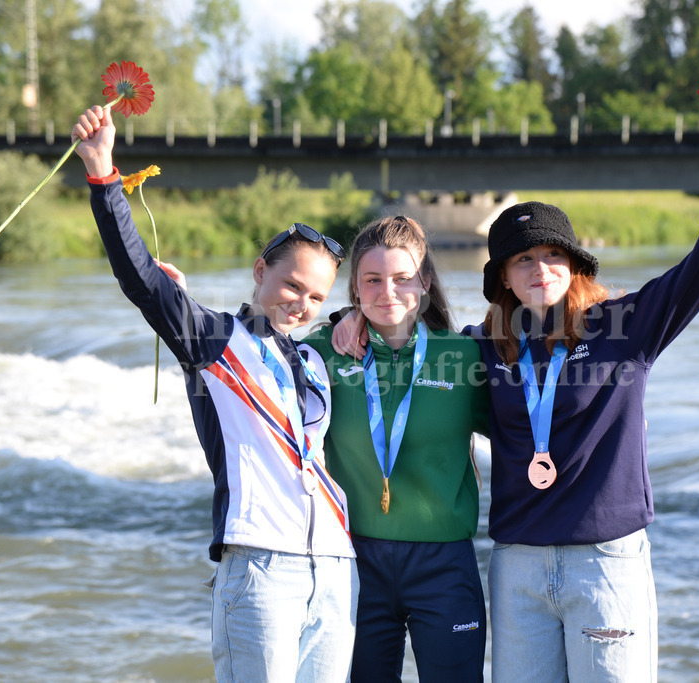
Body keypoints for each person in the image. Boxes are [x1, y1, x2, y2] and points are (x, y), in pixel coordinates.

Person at [466, 121, 699, 682]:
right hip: (517, 568)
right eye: (523, 261)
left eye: (551, 254)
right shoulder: (482, 347)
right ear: (504, 282)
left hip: (605, 565)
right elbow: (405, 344)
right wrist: (350, 323)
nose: (540, 269)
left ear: (574, 263)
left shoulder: (625, 327)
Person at [71, 104, 357, 683]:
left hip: (335, 568)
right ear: (259, 272)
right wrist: (103, 170)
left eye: (317, 297)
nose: (301, 303)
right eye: (291, 285)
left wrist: (352, 318)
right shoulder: (216, 341)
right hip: (260, 568)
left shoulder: (314, 359)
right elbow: (140, 279)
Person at [305, 216, 490, 681]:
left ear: (424, 281)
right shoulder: (323, 354)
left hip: (444, 565)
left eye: (402, 278)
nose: (387, 291)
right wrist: (341, 321)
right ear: (355, 289)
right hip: (353, 561)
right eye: (373, 281)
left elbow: (525, 429)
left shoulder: (464, 357)